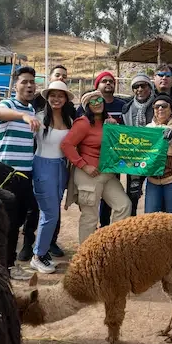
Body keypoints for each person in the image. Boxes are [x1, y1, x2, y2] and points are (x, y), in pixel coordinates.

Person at [61, 90, 132, 243]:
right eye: (92, 102)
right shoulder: (83, 122)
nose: (97, 103)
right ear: (87, 106)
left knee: (123, 205)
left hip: (107, 174)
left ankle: (112, 245)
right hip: (89, 175)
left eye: (99, 99)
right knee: (90, 217)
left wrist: (115, 128)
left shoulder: (109, 120)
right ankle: (86, 254)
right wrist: (84, 165)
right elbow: (66, 145)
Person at [0, 66, 39, 271]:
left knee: (21, 217)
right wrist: (22, 117)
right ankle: (5, 266)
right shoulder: (8, 104)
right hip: (6, 173)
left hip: (26, 172)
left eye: (32, 82)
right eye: (24, 82)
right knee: (6, 220)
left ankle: (9, 263)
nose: (29, 85)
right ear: (15, 85)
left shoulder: (33, 110)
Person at [30, 80, 74, 274]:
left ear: (65, 99)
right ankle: (37, 255)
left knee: (53, 212)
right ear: (47, 98)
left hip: (62, 168)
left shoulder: (70, 120)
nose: (57, 99)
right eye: (53, 95)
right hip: (43, 166)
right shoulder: (38, 119)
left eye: (61, 95)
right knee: (50, 214)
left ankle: (43, 252)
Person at [79, 70, 127, 228]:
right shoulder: (84, 116)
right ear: (97, 86)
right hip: (90, 167)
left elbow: (127, 132)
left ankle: (107, 232)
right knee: (90, 210)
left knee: (118, 203)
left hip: (112, 164)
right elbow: (70, 142)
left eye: (111, 81)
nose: (108, 83)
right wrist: (82, 164)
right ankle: (89, 248)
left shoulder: (122, 105)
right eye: (104, 81)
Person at [120, 73, 155, 217]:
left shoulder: (159, 105)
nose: (140, 89)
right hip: (134, 158)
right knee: (132, 195)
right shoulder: (126, 108)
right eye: (136, 86)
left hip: (154, 157)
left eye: (143, 85)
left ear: (150, 87)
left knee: (154, 197)